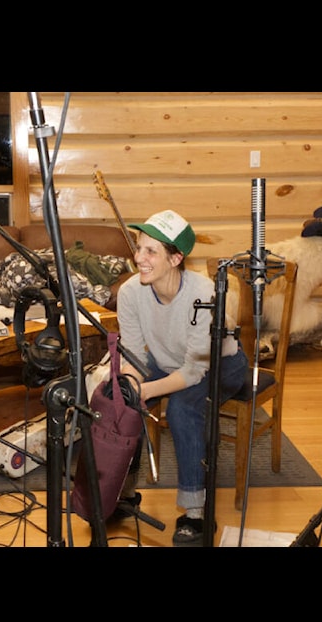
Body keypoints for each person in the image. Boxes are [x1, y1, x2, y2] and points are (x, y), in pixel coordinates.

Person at [115, 210, 248, 546]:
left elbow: (192, 371)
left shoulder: (204, 295)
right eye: (139, 248)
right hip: (167, 360)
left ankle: (197, 513)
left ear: (176, 258)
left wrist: (145, 389)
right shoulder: (130, 292)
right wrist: (131, 388)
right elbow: (131, 353)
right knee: (119, 400)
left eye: (151, 252)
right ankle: (121, 493)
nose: (139, 259)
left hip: (221, 364)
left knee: (182, 410)